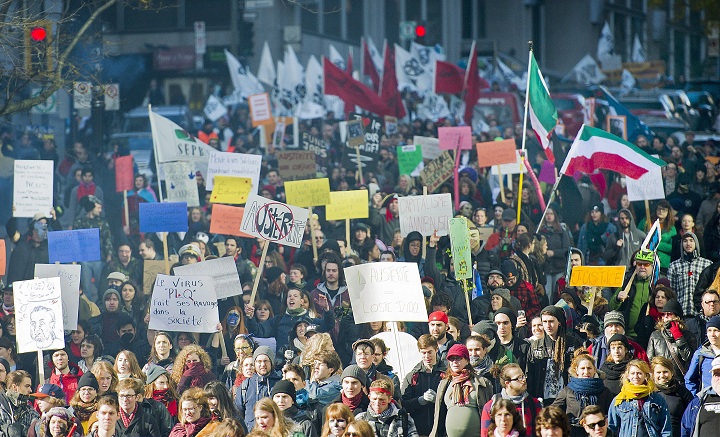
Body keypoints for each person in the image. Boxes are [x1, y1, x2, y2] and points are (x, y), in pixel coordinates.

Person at [429, 344, 492, 437]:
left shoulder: (482, 382)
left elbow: (490, 411)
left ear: (467, 360)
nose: (454, 362)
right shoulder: (444, 384)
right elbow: (438, 414)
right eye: (451, 359)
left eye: (458, 358)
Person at [526, 306, 582, 404]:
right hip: (542, 398)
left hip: (567, 397)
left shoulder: (572, 343)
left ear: (559, 322)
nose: (548, 325)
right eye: (544, 322)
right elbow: (529, 374)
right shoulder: (535, 345)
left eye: (551, 321)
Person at [551, 352, 614, 437]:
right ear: (576, 370)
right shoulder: (568, 391)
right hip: (574, 433)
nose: (586, 372)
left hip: (596, 432)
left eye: (589, 368)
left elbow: (611, 414)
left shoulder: (604, 391)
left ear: (594, 370)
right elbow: (554, 411)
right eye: (582, 368)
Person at [607, 360, 672, 437]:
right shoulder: (619, 400)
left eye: (639, 373)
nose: (636, 376)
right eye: (632, 373)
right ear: (628, 376)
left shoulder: (656, 399)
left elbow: (666, 428)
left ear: (646, 376)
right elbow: (611, 428)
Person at [481, 363, 542, 437]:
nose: (524, 380)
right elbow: (485, 434)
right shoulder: (491, 406)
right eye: (518, 378)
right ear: (507, 383)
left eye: (523, 376)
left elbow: (541, 432)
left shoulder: (534, 404)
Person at [402, 334, 446, 436]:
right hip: (419, 430)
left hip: (442, 429)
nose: (427, 356)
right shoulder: (412, 376)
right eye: (423, 352)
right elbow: (404, 404)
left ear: (436, 349)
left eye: (430, 352)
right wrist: (419, 400)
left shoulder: (446, 373)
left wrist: (438, 401)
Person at [610, 249, 655, 338]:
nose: (642, 267)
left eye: (646, 264)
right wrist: (617, 299)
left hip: (648, 335)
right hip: (627, 335)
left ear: (652, 266)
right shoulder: (627, 282)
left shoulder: (656, 284)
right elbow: (611, 307)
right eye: (639, 264)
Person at [646, 298, 697, 377]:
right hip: (661, 377)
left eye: (669, 314)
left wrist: (679, 337)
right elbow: (650, 360)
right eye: (663, 314)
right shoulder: (655, 335)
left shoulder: (688, 336)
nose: (666, 316)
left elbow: (689, 358)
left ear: (677, 316)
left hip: (680, 379)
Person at [235, 346, 282, 431]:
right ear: (254, 363)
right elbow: (238, 413)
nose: (262, 364)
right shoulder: (245, 386)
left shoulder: (279, 384)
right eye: (259, 361)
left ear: (271, 363)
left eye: (266, 361)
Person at [668, 232, 711, 317]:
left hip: (702, 313)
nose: (688, 243)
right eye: (685, 241)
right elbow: (671, 292)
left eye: (691, 240)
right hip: (681, 314)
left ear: (696, 243)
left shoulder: (707, 264)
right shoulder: (674, 266)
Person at [651, 356, 693, 437]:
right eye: (658, 372)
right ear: (653, 374)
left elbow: (691, 416)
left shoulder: (682, 392)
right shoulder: (649, 393)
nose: (662, 375)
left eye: (665, 372)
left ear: (672, 372)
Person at [686, 315, 720, 394]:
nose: (712, 334)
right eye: (709, 330)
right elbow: (690, 379)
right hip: (709, 398)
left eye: (716, 330)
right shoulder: (701, 354)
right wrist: (697, 398)